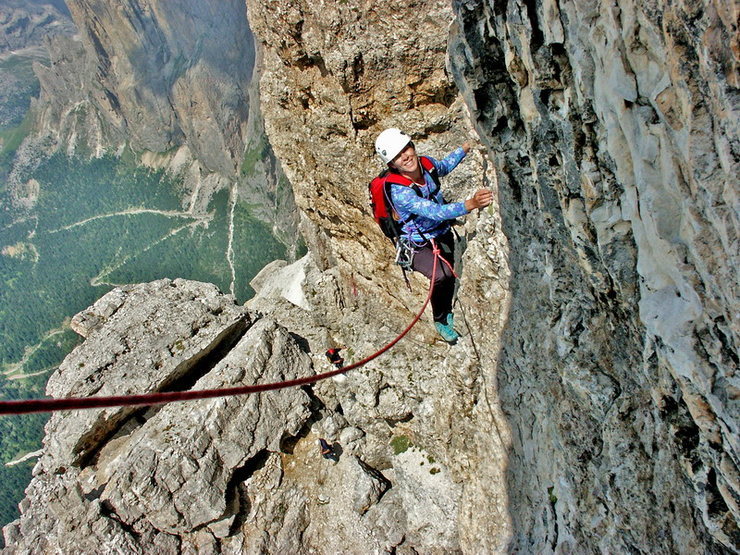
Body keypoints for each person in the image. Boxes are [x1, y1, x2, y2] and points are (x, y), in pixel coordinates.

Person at [374, 128, 493, 343]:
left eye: (406, 149)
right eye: (398, 156)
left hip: (441, 231)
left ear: (412, 146)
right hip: (418, 243)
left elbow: (444, 166)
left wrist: (465, 148)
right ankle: (440, 319)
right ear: (392, 165)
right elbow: (434, 211)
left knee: (451, 272)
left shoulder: (426, 165)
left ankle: (448, 309)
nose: (405, 156)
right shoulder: (400, 192)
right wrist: (470, 204)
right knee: (441, 275)